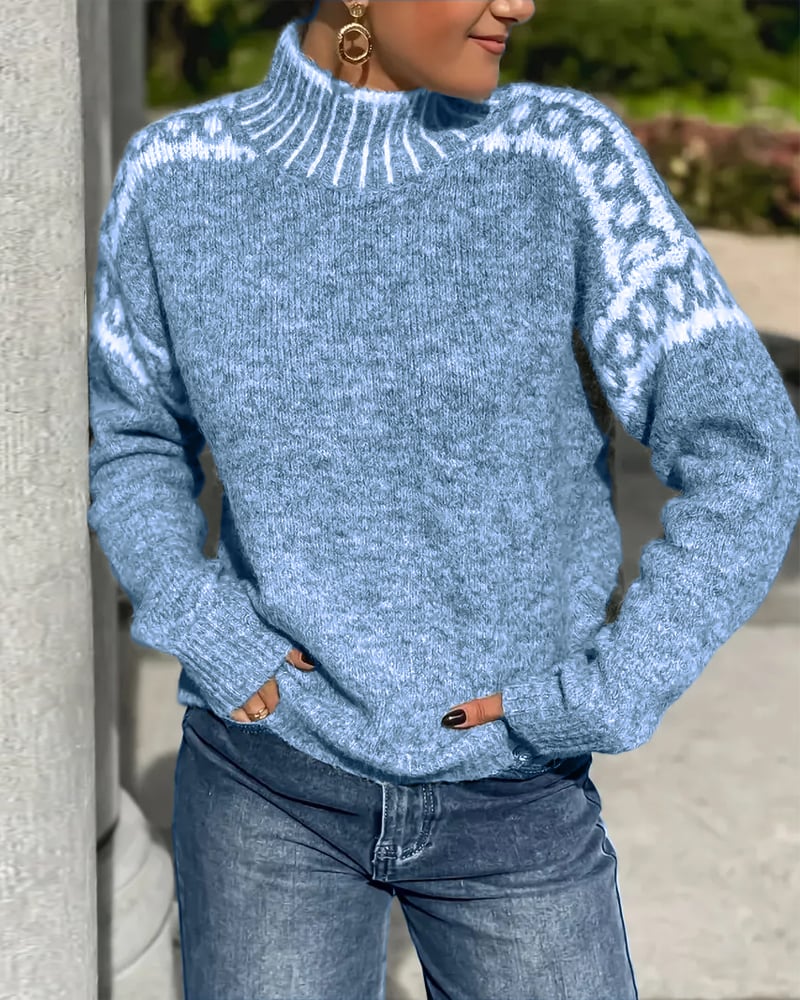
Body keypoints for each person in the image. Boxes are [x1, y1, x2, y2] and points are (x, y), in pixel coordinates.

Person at [86, 0, 800, 996]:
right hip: (266, 790)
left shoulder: (561, 157)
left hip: (515, 797)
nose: (519, 2)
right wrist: (201, 618)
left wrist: (610, 686)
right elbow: (129, 438)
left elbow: (746, 448)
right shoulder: (177, 177)